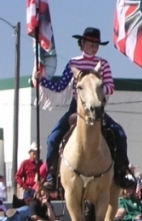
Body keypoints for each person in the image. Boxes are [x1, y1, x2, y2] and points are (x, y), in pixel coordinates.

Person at [35, 27, 135, 192]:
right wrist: (41, 81)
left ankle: (120, 172)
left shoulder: (103, 64)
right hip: (76, 107)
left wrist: (95, 91)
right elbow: (60, 86)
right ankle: (52, 176)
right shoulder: (73, 63)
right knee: (52, 138)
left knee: (120, 134)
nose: (94, 46)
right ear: (82, 43)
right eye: (90, 43)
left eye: (97, 44)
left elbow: (110, 87)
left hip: (96, 106)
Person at [15, 143, 43, 208]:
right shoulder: (25, 163)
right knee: (27, 209)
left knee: (39, 208)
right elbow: (17, 176)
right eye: (34, 152)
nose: (36, 154)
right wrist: (25, 187)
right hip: (29, 190)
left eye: (37, 152)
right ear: (30, 152)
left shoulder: (41, 164)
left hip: (39, 190)